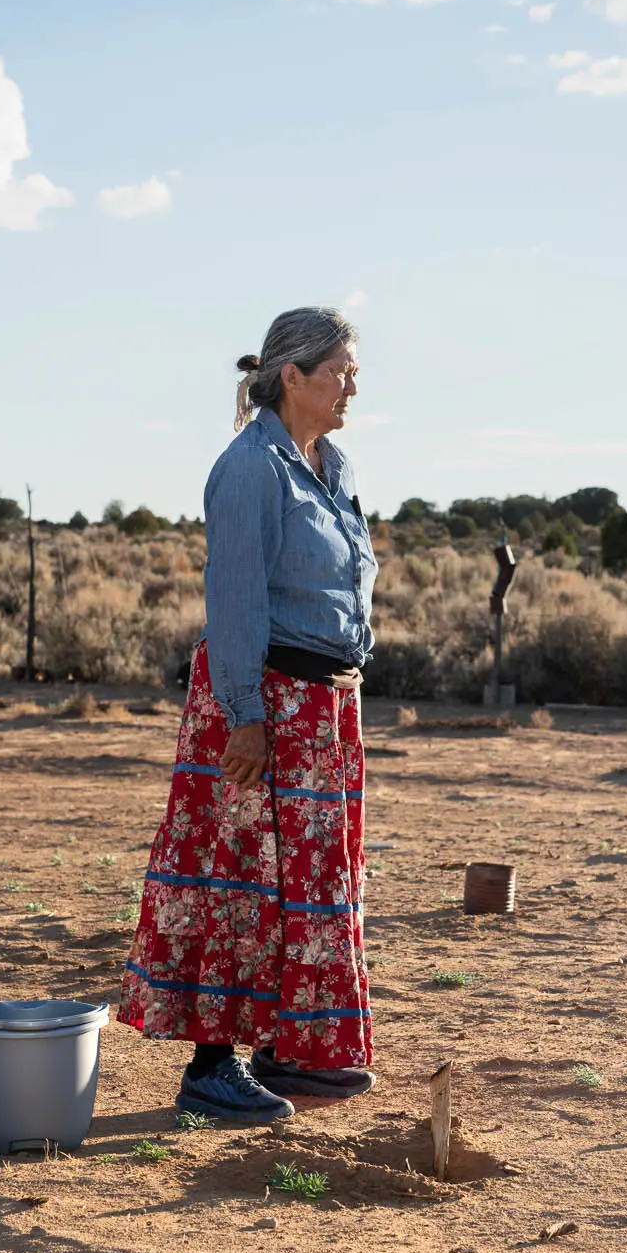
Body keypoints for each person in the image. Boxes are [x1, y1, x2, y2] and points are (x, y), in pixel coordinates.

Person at [118, 306, 379, 1122]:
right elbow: (234, 600)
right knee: (238, 877)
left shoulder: (330, 466)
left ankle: (283, 1050)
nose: (351, 386)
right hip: (263, 700)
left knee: (306, 881)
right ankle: (211, 1068)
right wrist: (244, 715)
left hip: (325, 705)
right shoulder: (250, 468)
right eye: (339, 371)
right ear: (291, 377)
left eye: (355, 372)